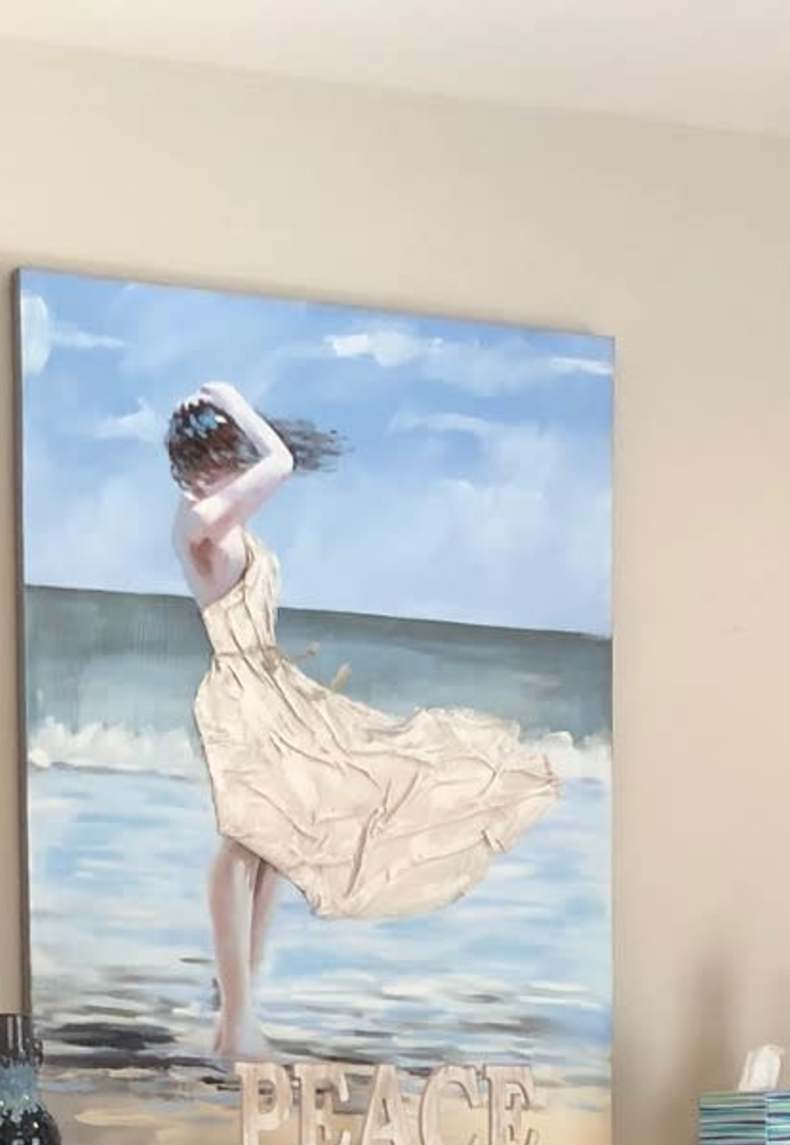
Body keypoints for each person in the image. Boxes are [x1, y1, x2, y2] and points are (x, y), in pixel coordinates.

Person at [166, 381, 560, 1060]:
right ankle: (236, 1021)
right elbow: (280, 462)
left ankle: (240, 1011)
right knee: (246, 841)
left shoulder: (223, 519)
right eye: (222, 455)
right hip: (240, 687)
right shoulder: (201, 520)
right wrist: (238, 403)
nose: (229, 469)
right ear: (200, 462)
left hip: (270, 684)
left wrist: (236, 417)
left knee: (277, 850)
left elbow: (272, 468)